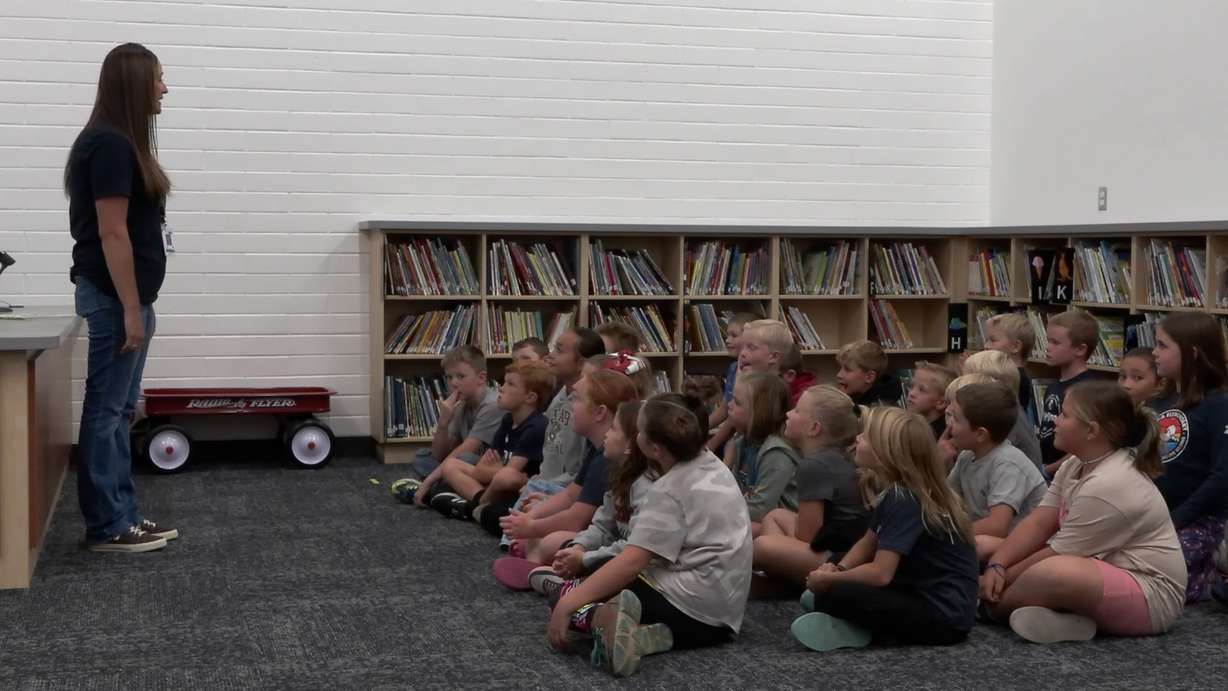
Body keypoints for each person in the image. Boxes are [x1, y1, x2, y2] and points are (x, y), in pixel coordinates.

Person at [547, 394, 751, 677]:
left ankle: (602, 620)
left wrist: (568, 604)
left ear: (654, 448)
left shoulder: (668, 489)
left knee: (564, 594)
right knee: (597, 581)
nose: (636, 435)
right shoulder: (711, 463)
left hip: (685, 605)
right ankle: (641, 635)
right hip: (722, 619)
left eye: (640, 431)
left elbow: (632, 561)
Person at [979, 382, 1186, 644]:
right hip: (1100, 568)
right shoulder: (1076, 464)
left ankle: (987, 607)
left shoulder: (1109, 483)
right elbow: (1040, 522)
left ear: (1091, 430)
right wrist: (997, 564)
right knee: (984, 545)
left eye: (1064, 415)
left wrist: (995, 580)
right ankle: (1070, 620)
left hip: (1150, 595)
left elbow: (1057, 554)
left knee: (1053, 572)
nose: (1055, 421)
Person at [67, 43, 173, 552]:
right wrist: (131, 308)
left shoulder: (121, 142)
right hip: (115, 299)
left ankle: (123, 513)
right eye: (157, 79)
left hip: (129, 298)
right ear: (134, 85)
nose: (164, 89)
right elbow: (112, 233)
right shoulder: (108, 144)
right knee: (106, 411)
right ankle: (107, 525)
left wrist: (139, 304)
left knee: (121, 410)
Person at [790, 407, 978, 651]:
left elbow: (881, 573)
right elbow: (867, 542)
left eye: (866, 436)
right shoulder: (898, 491)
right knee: (836, 565)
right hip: (921, 591)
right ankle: (848, 618)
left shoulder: (905, 498)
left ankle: (861, 628)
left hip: (944, 619)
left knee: (836, 593)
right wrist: (838, 569)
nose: (858, 438)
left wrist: (831, 580)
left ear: (886, 454)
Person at [752, 385, 868, 589]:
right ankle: (785, 580)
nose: (788, 413)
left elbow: (807, 538)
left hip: (838, 560)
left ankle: (792, 583)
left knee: (761, 545)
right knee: (775, 516)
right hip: (842, 548)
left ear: (814, 428)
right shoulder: (835, 456)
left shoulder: (814, 466)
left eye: (797, 410)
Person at [1149, 312, 1228, 602]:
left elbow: (1222, 475)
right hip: (1152, 513)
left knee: (1156, 569)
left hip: (1200, 519)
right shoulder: (1158, 402)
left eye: (1162, 345)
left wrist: (1178, 518)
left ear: (1192, 353)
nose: (1154, 353)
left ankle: (1212, 574)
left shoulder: (1219, 404)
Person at [945, 382, 1047, 561]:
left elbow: (997, 527)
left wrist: (946, 533)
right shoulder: (966, 457)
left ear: (980, 434)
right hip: (990, 538)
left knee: (972, 545)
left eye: (956, 419)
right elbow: (945, 499)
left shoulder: (1007, 464)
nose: (949, 424)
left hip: (1025, 547)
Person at [725, 372, 801, 531]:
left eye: (737, 402)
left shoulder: (777, 453)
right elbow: (733, 492)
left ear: (760, 412)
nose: (729, 405)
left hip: (782, 528)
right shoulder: (741, 441)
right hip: (754, 518)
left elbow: (760, 510)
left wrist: (718, 510)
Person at [1037, 311, 1099, 477]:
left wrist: (1048, 470)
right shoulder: (1053, 387)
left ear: (1080, 349)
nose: (1048, 347)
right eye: (1048, 340)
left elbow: (1085, 445)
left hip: (1067, 475)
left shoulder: (1086, 390)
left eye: (1055, 342)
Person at [834, 340, 902, 407]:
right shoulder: (854, 399)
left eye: (847, 370)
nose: (839, 375)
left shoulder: (879, 411)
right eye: (841, 368)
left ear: (869, 377)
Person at [906, 361, 957, 440]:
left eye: (921, 390)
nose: (911, 393)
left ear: (941, 402)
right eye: (911, 386)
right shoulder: (912, 427)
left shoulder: (943, 438)